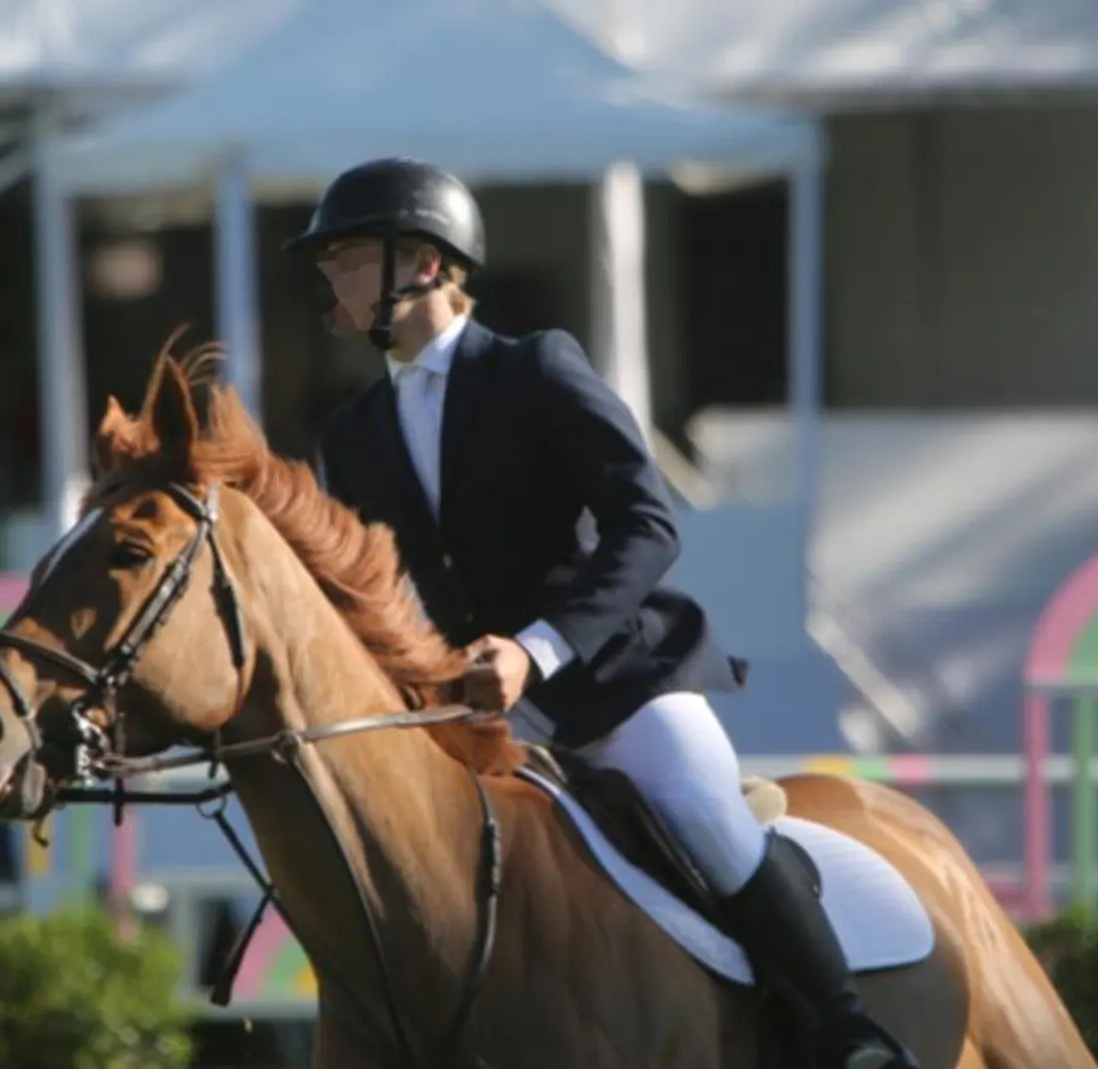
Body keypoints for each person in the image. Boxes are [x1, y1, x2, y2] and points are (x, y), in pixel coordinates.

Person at [289, 157, 905, 1069]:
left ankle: (850, 1032)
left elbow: (647, 522)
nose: (326, 278)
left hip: (613, 681)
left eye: (344, 255)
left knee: (702, 809)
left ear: (420, 262)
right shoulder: (351, 434)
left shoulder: (535, 368)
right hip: (474, 716)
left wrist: (537, 652)